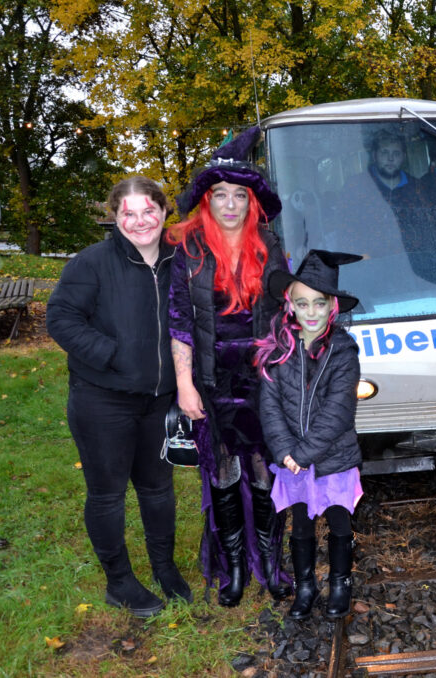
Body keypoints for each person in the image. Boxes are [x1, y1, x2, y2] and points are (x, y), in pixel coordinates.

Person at [47, 176, 189, 617]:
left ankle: (164, 567)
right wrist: (112, 355)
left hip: (158, 401)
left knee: (157, 488)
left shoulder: (181, 261)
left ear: (165, 212)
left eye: (148, 210)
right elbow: (61, 318)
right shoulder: (91, 263)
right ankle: (120, 581)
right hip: (102, 399)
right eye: (127, 212)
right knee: (107, 493)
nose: (139, 220)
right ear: (115, 216)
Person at [168, 127, 292, 607]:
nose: (230, 204)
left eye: (239, 195)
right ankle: (234, 569)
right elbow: (179, 319)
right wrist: (184, 383)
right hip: (212, 378)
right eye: (219, 195)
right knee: (222, 475)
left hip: (262, 378)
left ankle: (271, 563)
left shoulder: (269, 244)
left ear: (252, 203)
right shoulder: (190, 249)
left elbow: (286, 312)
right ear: (207, 201)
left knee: (265, 474)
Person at [257, 250, 364, 620]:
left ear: (332, 306)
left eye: (319, 303)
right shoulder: (277, 351)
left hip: (332, 457)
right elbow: (269, 406)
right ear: (291, 305)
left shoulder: (343, 351)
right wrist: (286, 450)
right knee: (300, 522)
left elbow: (338, 412)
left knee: (338, 521)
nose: (312, 312)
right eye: (303, 304)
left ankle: (339, 583)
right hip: (291, 459)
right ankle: (305, 586)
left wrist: (302, 454)